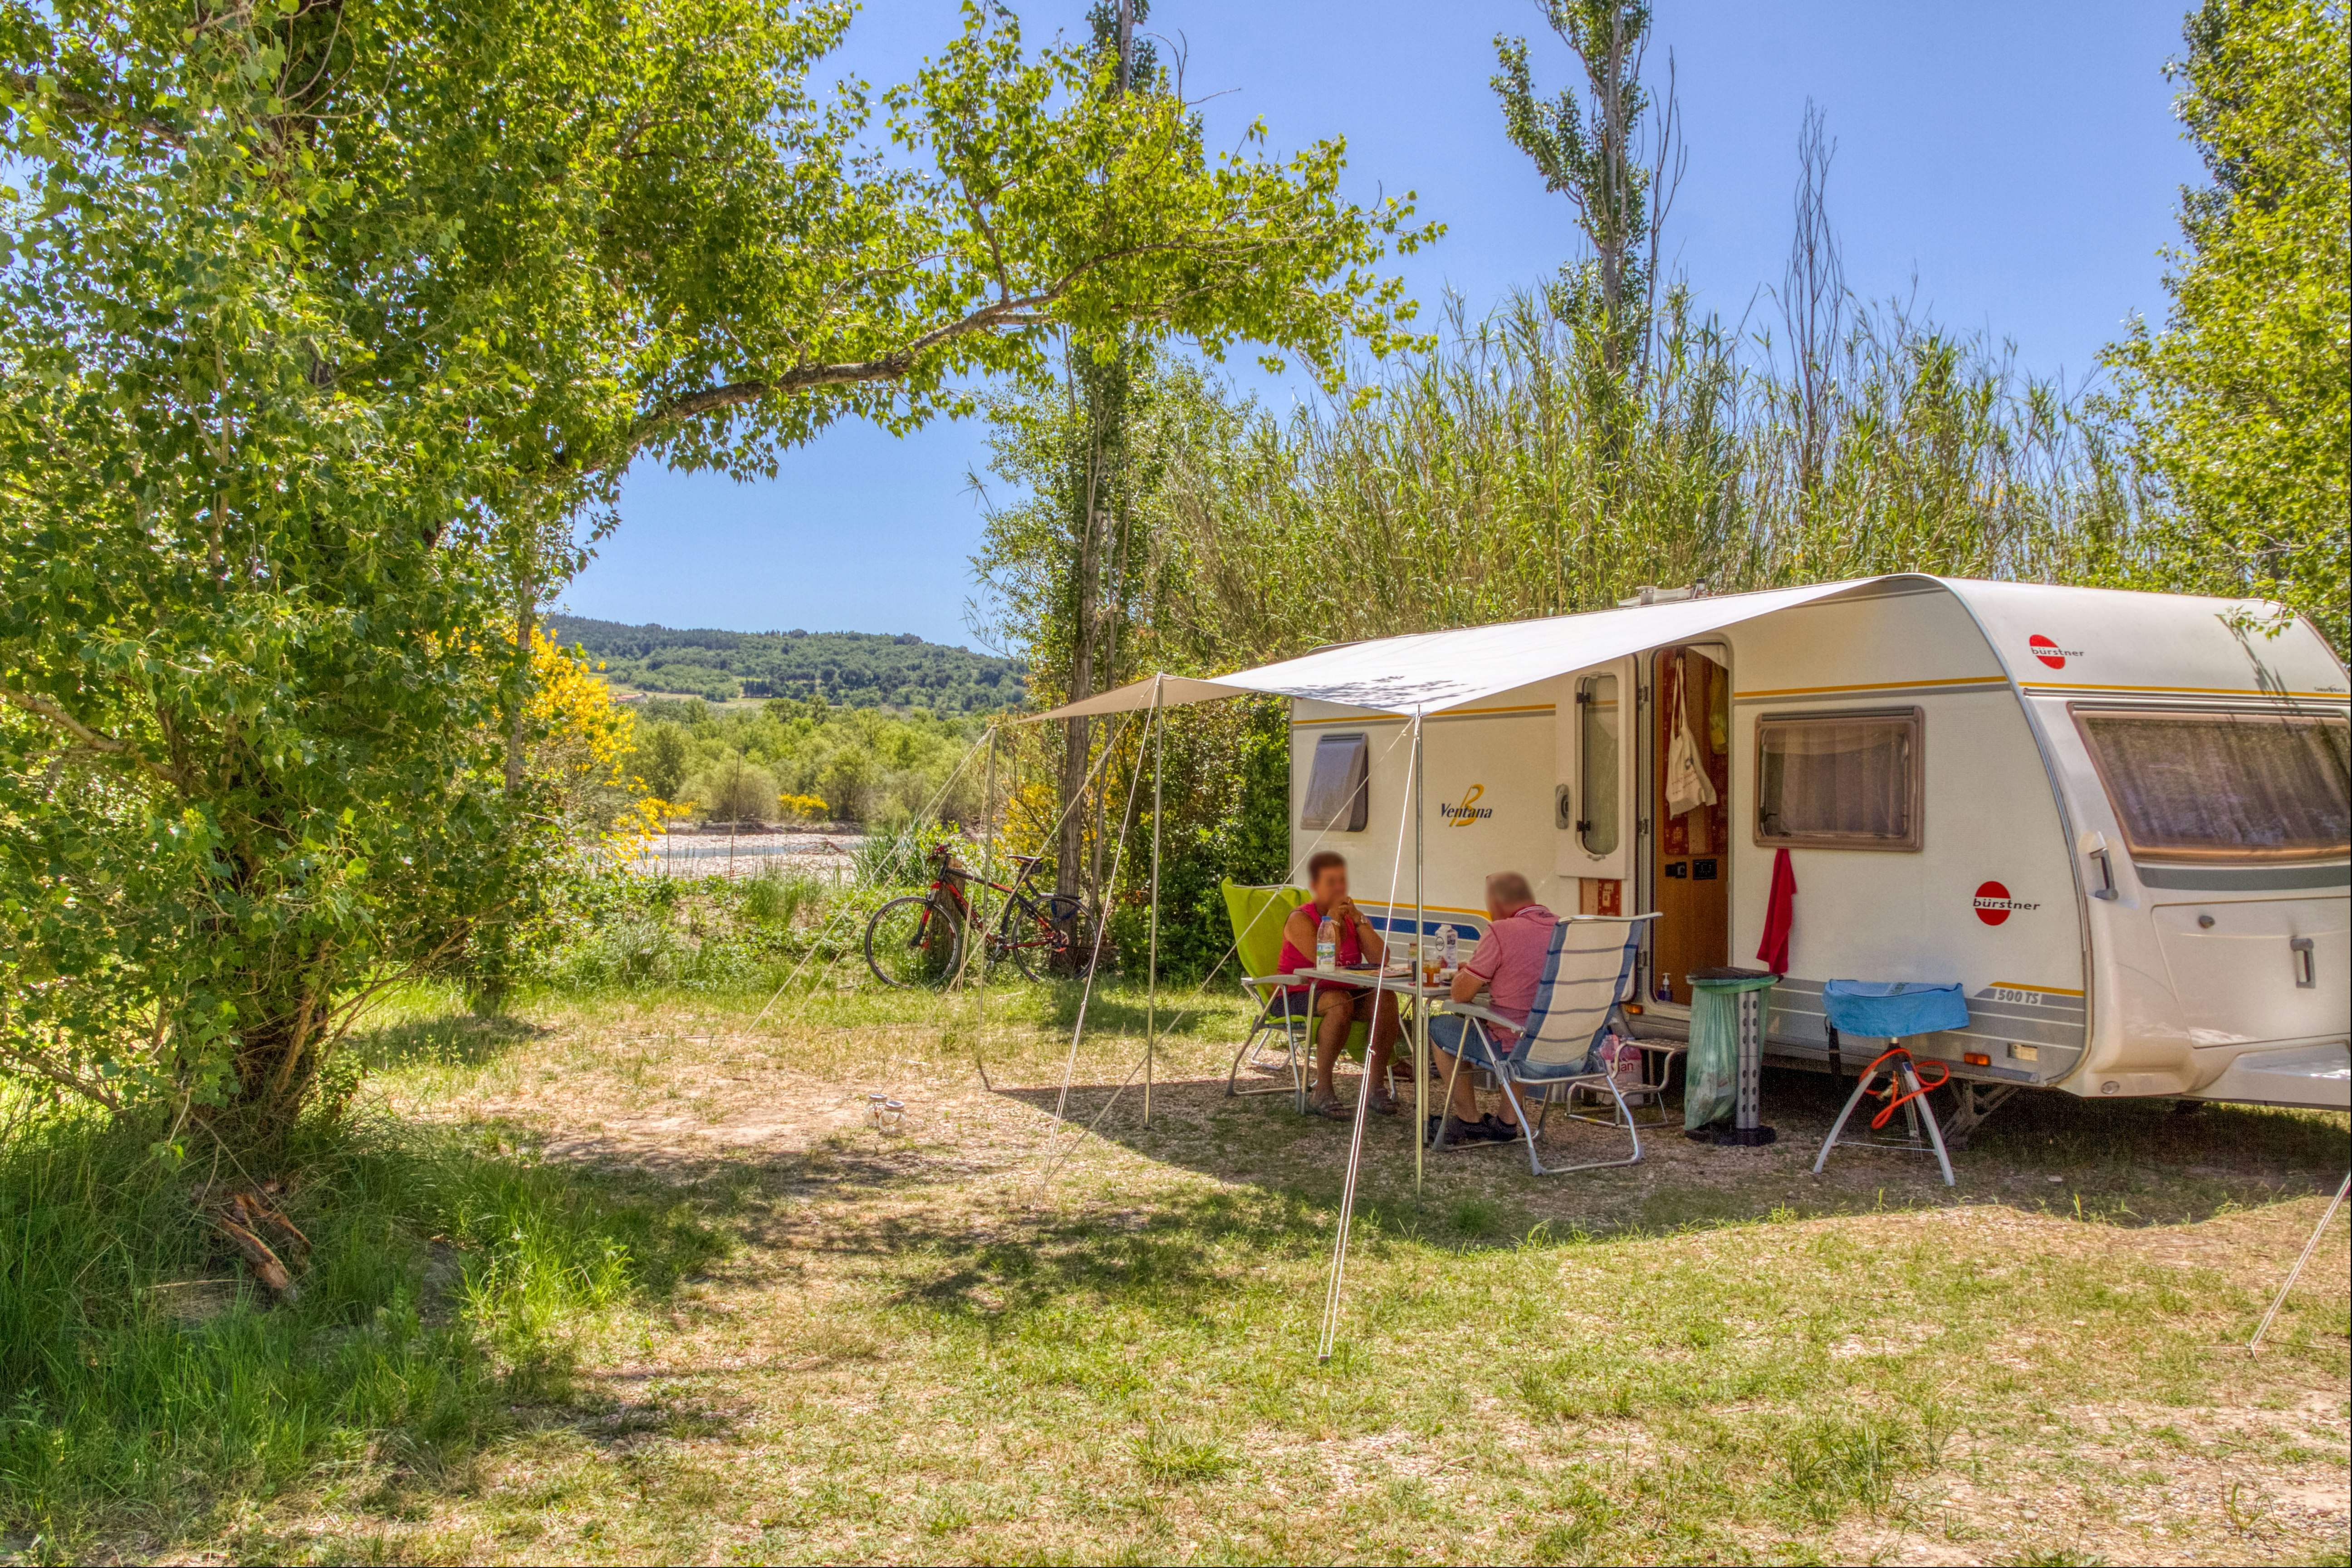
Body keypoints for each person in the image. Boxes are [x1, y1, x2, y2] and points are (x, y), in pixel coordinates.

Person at [1425, 871, 1563, 1145]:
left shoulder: (1501, 931)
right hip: (1569, 1050)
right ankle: (1506, 1122)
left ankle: (1468, 1120)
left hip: (1519, 1050)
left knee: (1440, 1026)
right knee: (1521, 1020)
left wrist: (1467, 973)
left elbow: (1460, 994)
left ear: (1499, 903)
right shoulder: (1565, 929)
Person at [1276, 850, 1405, 1118]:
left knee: (1386, 998)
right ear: (1315, 887)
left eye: (1342, 882)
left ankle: (1375, 1087)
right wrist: (1333, 921)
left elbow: (1381, 958)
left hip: (1344, 989)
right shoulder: (1300, 918)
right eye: (1331, 882)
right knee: (1339, 1002)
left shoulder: (1351, 918)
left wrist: (1359, 921)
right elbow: (1323, 959)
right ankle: (1322, 1090)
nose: (1339, 888)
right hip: (1299, 991)